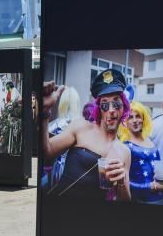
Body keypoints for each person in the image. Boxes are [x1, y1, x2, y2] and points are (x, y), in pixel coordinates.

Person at [41, 69, 132, 201]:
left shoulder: (125, 152)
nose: (111, 110)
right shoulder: (81, 127)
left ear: (123, 106)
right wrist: (44, 111)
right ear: (99, 110)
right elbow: (47, 152)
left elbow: (125, 201)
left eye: (116, 102)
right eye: (105, 105)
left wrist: (122, 181)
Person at [120, 101, 163, 204]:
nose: (135, 121)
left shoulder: (149, 140)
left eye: (138, 116)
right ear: (125, 122)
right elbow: (124, 183)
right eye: (130, 117)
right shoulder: (125, 146)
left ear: (143, 119)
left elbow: (158, 168)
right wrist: (151, 186)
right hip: (144, 201)